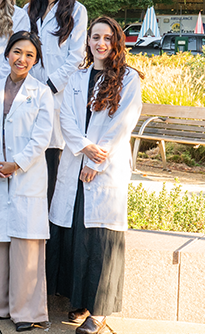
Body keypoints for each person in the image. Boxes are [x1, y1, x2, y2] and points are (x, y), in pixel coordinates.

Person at [47, 17, 143, 334]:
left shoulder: (128, 78)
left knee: (101, 240)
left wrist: (96, 160)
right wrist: (84, 147)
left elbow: (123, 123)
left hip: (105, 168)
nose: (101, 43)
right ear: (88, 41)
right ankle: (80, 301)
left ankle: (99, 311)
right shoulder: (78, 76)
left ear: (117, 42)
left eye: (107, 38)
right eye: (95, 37)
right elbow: (66, 118)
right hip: (77, 162)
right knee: (76, 236)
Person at [0, 31, 54, 332]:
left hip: (26, 176)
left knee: (26, 246)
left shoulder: (41, 93)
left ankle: (27, 313)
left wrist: (16, 164)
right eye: (17, 52)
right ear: (7, 53)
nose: (22, 59)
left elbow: (41, 138)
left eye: (29, 55)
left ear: (36, 61)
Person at [25, 0, 88, 206]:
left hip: (58, 98)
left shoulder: (77, 11)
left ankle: (51, 226)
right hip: (29, 95)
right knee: (30, 161)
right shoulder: (28, 10)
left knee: (53, 163)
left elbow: (76, 57)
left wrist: (49, 86)